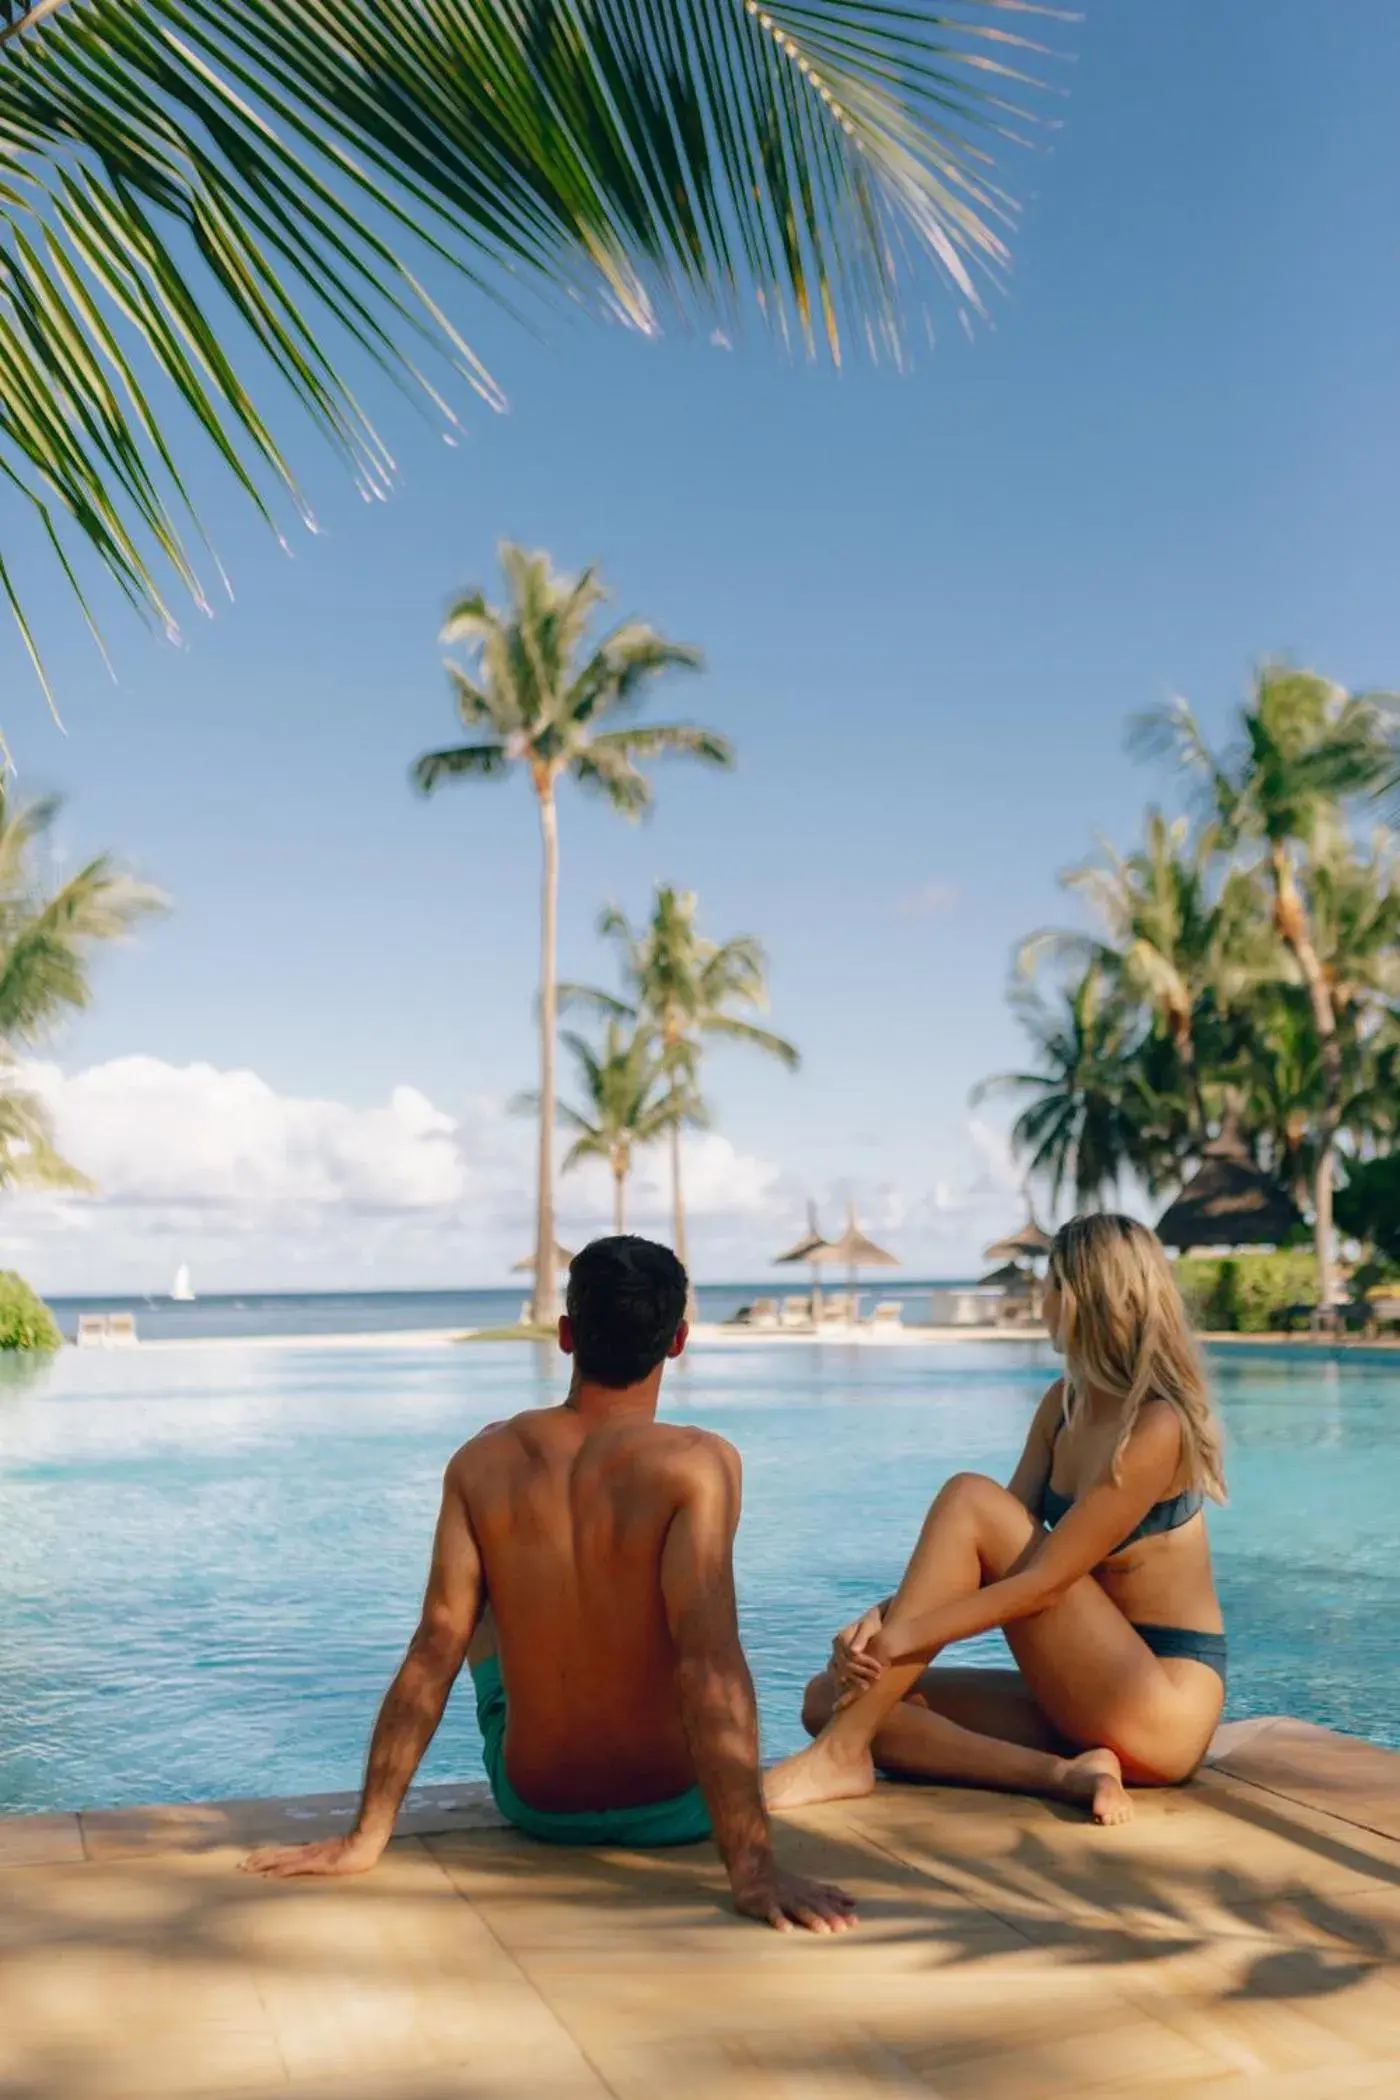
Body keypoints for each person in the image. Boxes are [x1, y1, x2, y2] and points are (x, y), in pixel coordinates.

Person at [243, 1235, 855, 1934]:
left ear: (566, 1335)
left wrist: (365, 1838)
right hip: (674, 1808)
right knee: (698, 1626)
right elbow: (708, 1662)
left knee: (465, 1603)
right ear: (678, 1341)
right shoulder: (699, 1465)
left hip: (538, 1806)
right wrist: (754, 1869)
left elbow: (436, 1645)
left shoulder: (482, 1460)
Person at [766, 1212, 1228, 1825]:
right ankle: (1067, 1774)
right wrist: (880, 1621)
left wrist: (906, 1634)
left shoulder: (1155, 1426)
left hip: (1161, 1705)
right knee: (829, 1700)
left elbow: (1043, 1581)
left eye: (1051, 1282)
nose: (1040, 1297)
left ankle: (841, 1757)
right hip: (1084, 1681)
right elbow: (985, 1559)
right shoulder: (1062, 1408)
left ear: (1088, 1297)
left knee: (967, 1497)